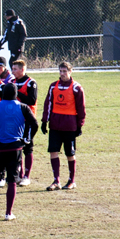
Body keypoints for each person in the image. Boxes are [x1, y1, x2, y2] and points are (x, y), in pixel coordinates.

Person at [0, 83, 38, 221]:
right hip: (15, 148)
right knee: (12, 181)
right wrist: (27, 139)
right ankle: (8, 213)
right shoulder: (23, 107)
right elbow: (34, 124)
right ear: (16, 94)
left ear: (2, 93)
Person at [42, 62, 86, 191]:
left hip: (69, 125)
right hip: (55, 124)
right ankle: (56, 181)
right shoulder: (53, 86)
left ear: (70, 71)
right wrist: (45, 121)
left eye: (64, 71)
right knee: (53, 151)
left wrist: (79, 125)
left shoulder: (76, 88)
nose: (62, 74)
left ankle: (72, 181)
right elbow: (48, 104)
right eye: (60, 71)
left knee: (69, 153)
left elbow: (81, 108)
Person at [11, 59, 38, 186]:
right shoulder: (12, 82)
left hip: (28, 120)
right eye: (12, 69)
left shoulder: (31, 83)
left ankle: (27, 176)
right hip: (16, 120)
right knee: (17, 147)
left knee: (28, 147)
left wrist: (18, 93)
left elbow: (32, 100)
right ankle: (19, 175)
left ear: (23, 69)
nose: (13, 71)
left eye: (15, 69)